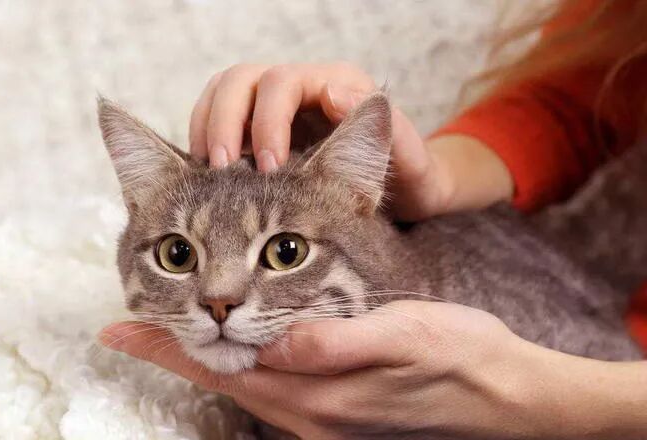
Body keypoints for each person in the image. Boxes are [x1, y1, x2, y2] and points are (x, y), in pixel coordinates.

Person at [100, 0, 647, 438]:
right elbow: (588, 90)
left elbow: (611, 352)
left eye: (285, 252)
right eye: (178, 254)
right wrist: (434, 177)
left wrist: (542, 397)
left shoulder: (486, 311)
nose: (219, 299)